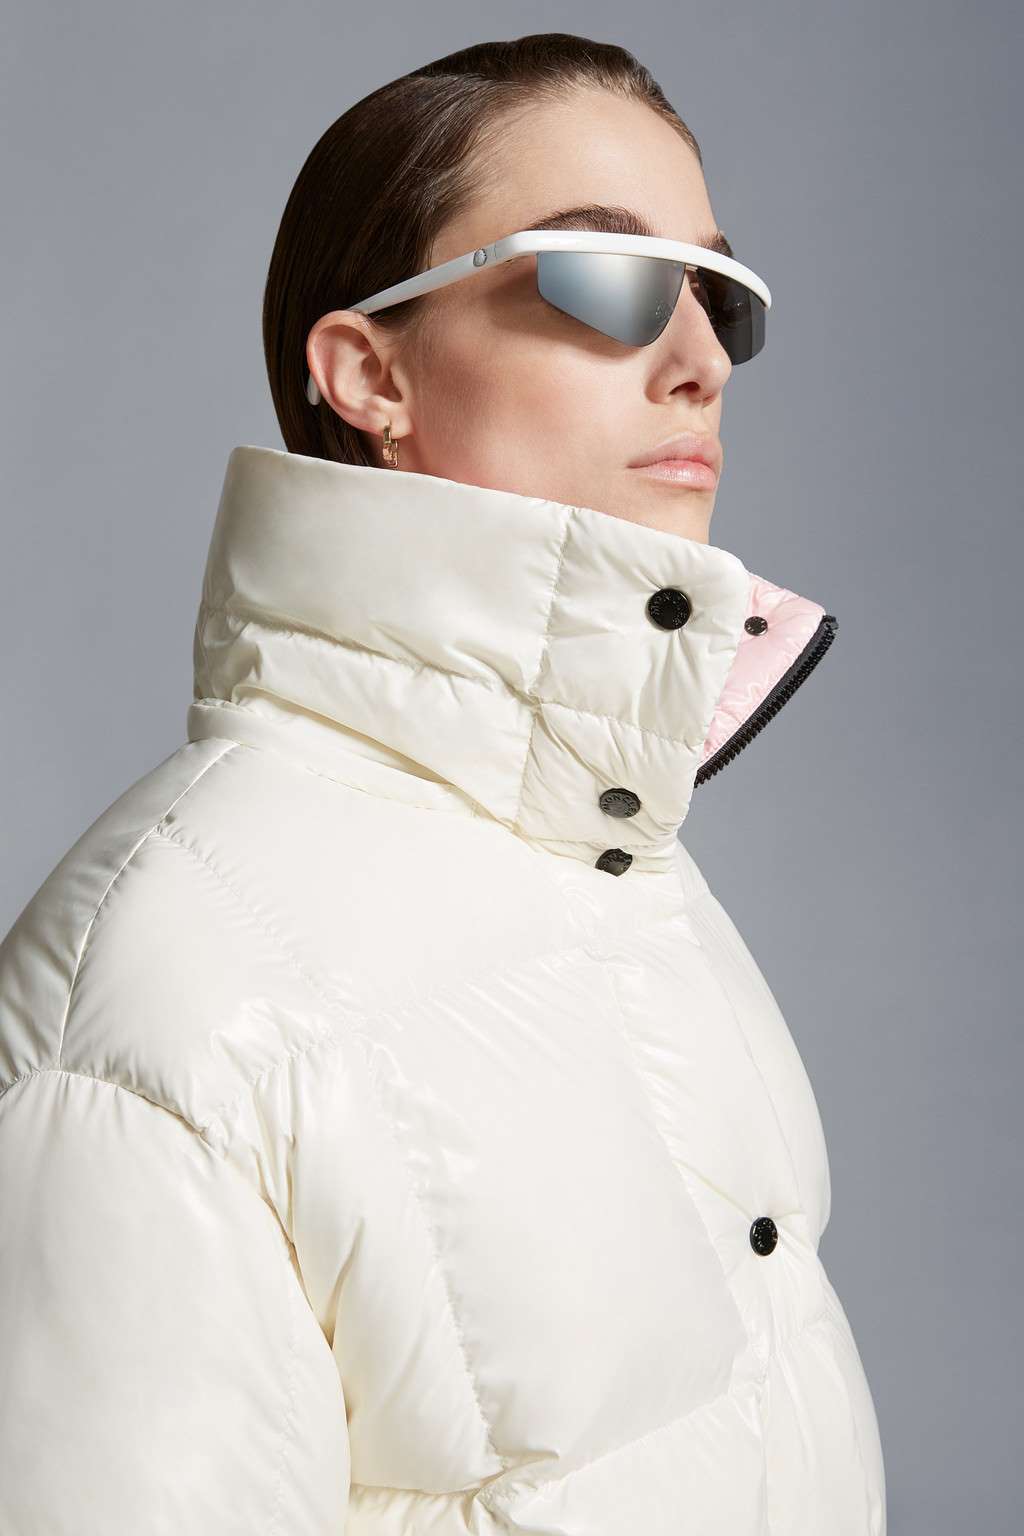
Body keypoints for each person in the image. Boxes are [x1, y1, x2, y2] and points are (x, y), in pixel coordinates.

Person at [0, 32, 887, 1536]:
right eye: (609, 279)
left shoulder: (624, 861)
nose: (703, 359)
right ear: (371, 374)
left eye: (717, 291)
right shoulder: (163, 1002)